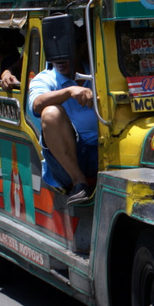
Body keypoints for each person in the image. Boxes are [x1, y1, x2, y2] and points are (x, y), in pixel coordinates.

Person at [27, 35, 98, 205]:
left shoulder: (99, 72)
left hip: (103, 148)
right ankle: (79, 182)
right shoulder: (45, 79)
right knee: (50, 113)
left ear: (81, 49)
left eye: (65, 50)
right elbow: (36, 104)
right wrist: (69, 91)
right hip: (67, 159)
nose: (59, 58)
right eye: (54, 52)